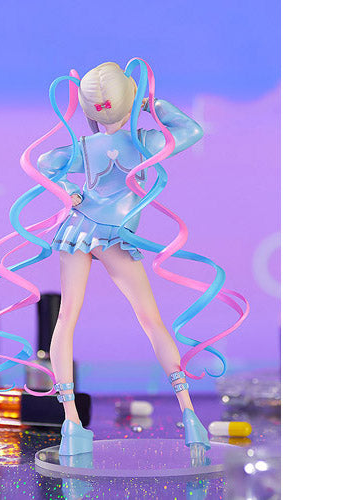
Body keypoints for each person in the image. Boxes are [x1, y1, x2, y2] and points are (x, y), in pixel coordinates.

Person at [37, 62, 209, 455]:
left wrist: (66, 190)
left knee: (66, 318)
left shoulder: (84, 147)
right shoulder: (145, 141)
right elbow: (191, 131)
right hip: (113, 234)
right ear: (130, 98)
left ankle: (71, 424)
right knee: (150, 320)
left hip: (78, 230)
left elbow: (45, 163)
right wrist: (152, 104)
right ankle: (189, 415)